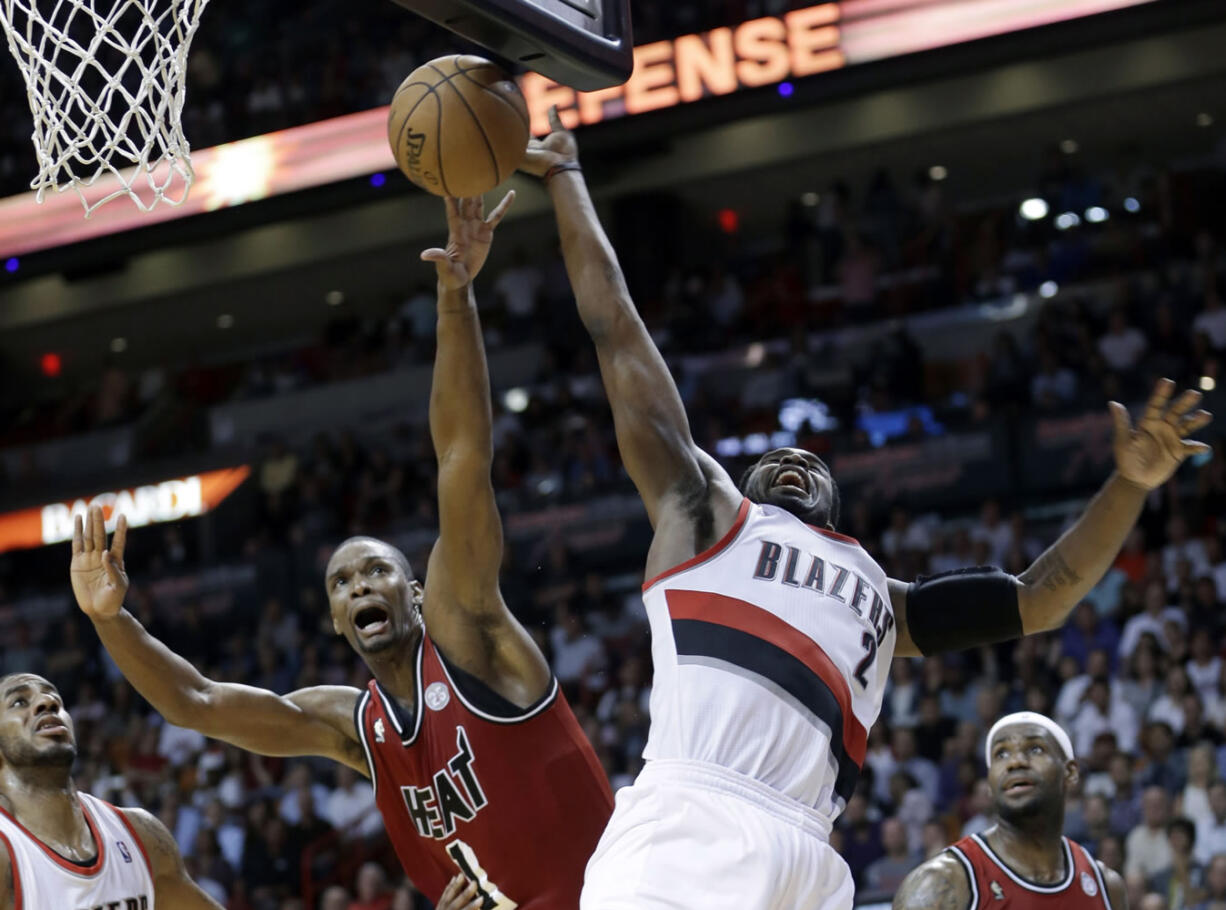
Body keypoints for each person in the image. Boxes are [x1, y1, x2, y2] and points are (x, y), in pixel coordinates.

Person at [522, 107, 1212, 908]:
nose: (788, 461)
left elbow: (1043, 595)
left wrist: (1127, 485)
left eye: (808, 460)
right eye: (770, 460)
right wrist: (569, 180)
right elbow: (619, 334)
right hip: (691, 820)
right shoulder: (706, 517)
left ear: (838, 505)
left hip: (811, 854)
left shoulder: (884, 605)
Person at [71, 194, 613, 910]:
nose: (360, 587)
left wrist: (456, 297)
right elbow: (196, 702)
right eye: (342, 582)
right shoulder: (353, 726)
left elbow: (462, 455)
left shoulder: (471, 635)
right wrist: (111, 621)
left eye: (377, 571)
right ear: (332, 618)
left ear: (416, 592)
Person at [0, 672, 223, 908]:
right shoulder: (6, 852)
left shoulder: (141, 833)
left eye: (55, 699)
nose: (48, 702)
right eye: (19, 702)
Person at [894, 712, 1127, 909]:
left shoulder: (1106, 886)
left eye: (1035, 749)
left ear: (1070, 772)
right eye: (1001, 754)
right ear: (989, 784)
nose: (1015, 762)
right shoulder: (940, 884)